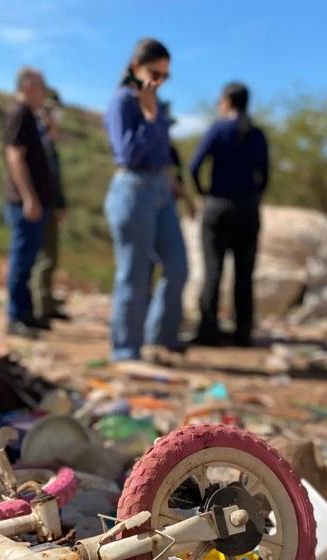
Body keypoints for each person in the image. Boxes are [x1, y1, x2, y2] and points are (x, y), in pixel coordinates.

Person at [103, 38, 188, 361]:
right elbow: (128, 153)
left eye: (165, 76)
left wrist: (175, 181)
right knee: (135, 274)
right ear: (136, 68)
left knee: (177, 266)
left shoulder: (157, 104)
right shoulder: (122, 102)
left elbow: (164, 152)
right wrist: (150, 119)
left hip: (161, 190)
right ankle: (126, 349)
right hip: (132, 190)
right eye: (154, 73)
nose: (158, 82)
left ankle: (162, 337)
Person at [189, 82, 269, 347]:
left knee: (213, 271)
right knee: (244, 275)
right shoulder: (257, 134)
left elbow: (194, 166)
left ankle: (208, 331)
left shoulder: (218, 129)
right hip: (247, 209)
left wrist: (204, 193)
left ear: (226, 101)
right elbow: (265, 175)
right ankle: (242, 333)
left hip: (218, 207)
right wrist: (253, 196)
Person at [2, 67, 55, 338]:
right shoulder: (19, 113)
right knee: (21, 259)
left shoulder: (32, 117)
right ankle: (15, 316)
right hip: (24, 202)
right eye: (41, 86)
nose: (44, 92)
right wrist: (28, 196)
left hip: (37, 202)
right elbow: (15, 156)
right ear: (27, 86)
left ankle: (25, 313)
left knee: (30, 258)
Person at [32, 96, 69, 324]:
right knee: (44, 259)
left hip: (51, 207)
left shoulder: (49, 143)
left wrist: (60, 204)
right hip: (42, 207)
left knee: (51, 258)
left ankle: (47, 305)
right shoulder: (40, 141)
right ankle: (40, 308)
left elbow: (56, 180)